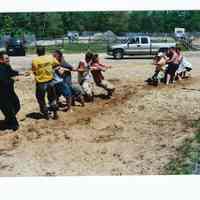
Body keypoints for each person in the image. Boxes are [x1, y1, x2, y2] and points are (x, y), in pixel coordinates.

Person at [32, 46, 59, 120]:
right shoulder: (50, 58)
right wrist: (50, 68)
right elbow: (57, 63)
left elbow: (34, 70)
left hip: (41, 82)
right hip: (50, 81)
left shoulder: (35, 60)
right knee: (52, 98)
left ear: (37, 52)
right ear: (44, 52)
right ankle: (55, 114)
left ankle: (47, 115)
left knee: (41, 99)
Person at [0, 51, 21, 131]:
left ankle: (9, 119)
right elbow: (3, 81)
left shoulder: (6, 66)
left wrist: (20, 73)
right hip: (2, 94)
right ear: (0, 60)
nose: (8, 60)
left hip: (10, 91)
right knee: (8, 110)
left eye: (8, 58)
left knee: (17, 106)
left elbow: (11, 72)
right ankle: (14, 125)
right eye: (6, 59)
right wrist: (13, 80)